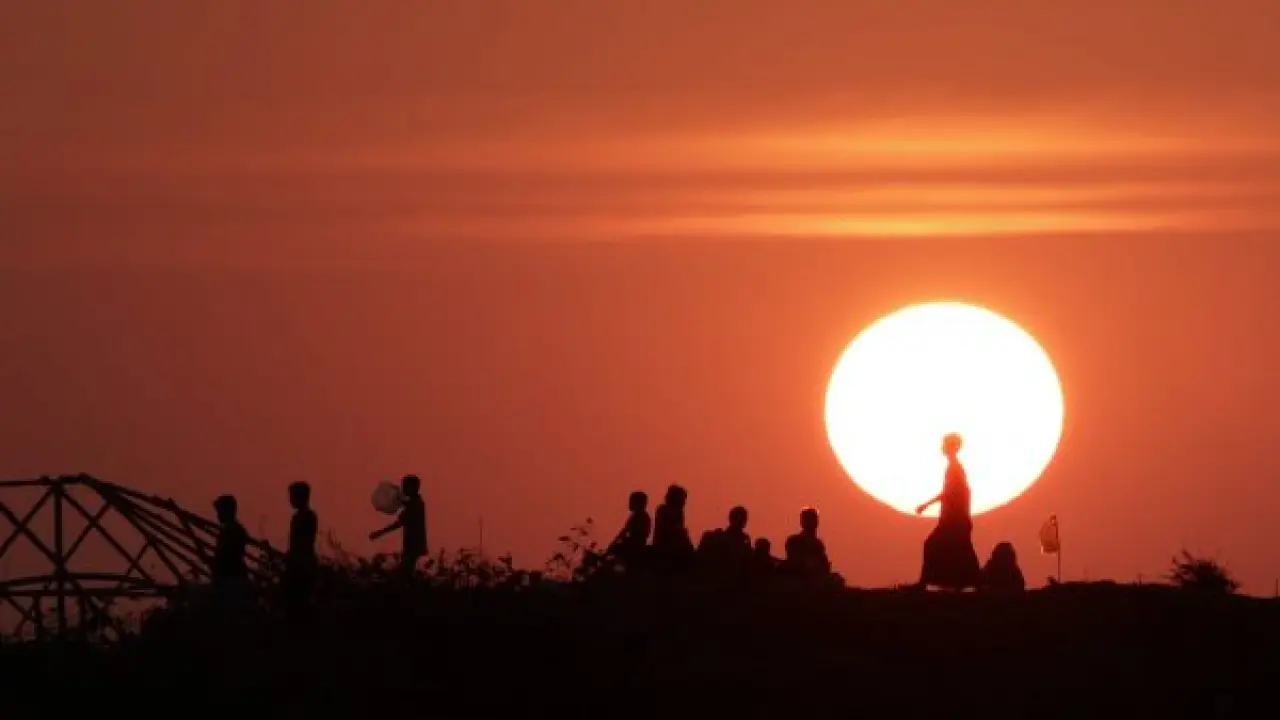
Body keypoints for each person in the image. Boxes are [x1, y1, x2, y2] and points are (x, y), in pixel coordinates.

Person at [914, 432, 981, 591]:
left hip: (954, 520)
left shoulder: (955, 469)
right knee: (961, 550)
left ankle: (924, 583)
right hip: (955, 519)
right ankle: (968, 583)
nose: (942, 448)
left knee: (933, 545)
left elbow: (950, 493)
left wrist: (926, 505)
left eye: (945, 445)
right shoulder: (954, 468)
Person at [370, 474, 427, 575]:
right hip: (413, 546)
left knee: (405, 573)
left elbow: (399, 523)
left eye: (405, 486)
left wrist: (379, 533)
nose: (402, 488)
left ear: (413, 488)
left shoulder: (415, 505)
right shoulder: (415, 503)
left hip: (413, 547)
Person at [284, 481, 319, 611]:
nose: (290, 499)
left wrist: (292, 556)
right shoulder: (299, 516)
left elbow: (302, 542)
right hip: (299, 561)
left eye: (292, 496)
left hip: (302, 563)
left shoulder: (307, 516)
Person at [211, 494, 250, 607]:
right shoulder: (233, 530)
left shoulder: (232, 531)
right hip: (231, 578)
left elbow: (227, 556)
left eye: (220, 511)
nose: (218, 515)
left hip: (230, 580)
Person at [697, 505, 752, 576]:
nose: (743, 521)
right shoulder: (718, 537)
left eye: (744, 518)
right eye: (742, 518)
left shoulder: (745, 540)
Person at [651, 484, 694, 573]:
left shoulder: (678, 512)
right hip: (665, 546)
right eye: (682, 499)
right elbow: (668, 530)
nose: (684, 502)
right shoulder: (664, 510)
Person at [607, 490, 652, 571]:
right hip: (636, 545)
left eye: (631, 501)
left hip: (634, 547)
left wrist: (611, 545)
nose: (629, 503)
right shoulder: (642, 516)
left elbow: (624, 531)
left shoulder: (639, 516)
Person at [783, 507, 831, 578]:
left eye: (812, 520)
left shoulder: (818, 545)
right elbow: (794, 561)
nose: (811, 523)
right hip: (798, 578)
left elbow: (824, 565)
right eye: (808, 520)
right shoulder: (794, 541)